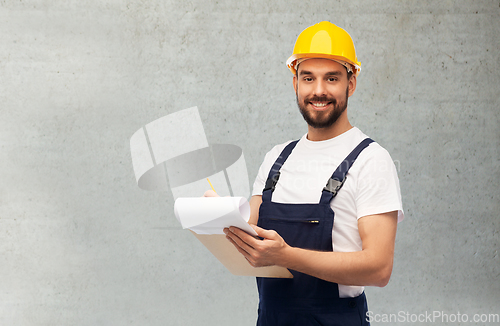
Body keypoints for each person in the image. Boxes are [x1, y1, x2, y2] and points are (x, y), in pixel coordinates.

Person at [222, 21, 404, 326]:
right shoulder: (275, 160)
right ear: (295, 83)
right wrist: (218, 216)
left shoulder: (372, 160)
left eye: (331, 78)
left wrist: (286, 256)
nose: (319, 90)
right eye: (308, 78)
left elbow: (379, 269)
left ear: (351, 82)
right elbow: (251, 235)